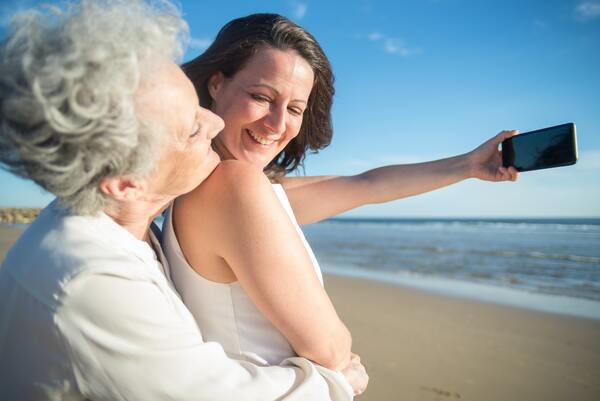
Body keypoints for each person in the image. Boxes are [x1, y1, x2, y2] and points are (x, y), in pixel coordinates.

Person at [0, 2, 364, 400]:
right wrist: (335, 383)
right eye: (192, 128)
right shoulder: (91, 278)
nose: (215, 122)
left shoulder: (117, 225)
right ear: (125, 182)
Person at [163, 12, 518, 396]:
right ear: (217, 83)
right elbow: (331, 350)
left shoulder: (213, 187)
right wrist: (344, 363)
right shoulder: (235, 186)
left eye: (295, 109)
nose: (278, 124)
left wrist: (469, 164)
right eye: (262, 97)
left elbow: (365, 184)